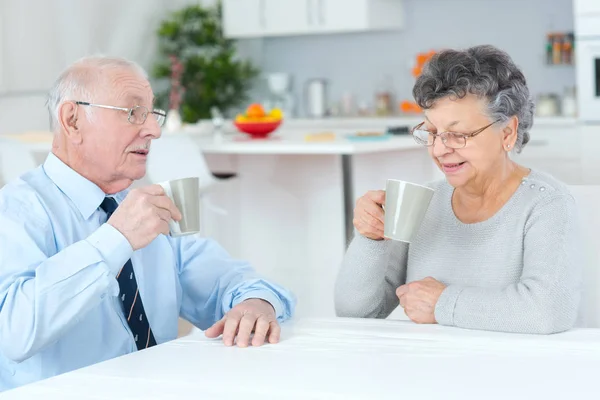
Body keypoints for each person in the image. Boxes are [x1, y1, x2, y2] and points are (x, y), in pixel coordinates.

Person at [0, 56, 295, 391]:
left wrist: (255, 304)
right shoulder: (16, 212)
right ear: (73, 120)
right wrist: (116, 239)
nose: (154, 130)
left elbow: (229, 282)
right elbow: (12, 333)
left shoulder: (138, 208)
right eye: (132, 113)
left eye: (152, 113)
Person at [334, 45, 581, 334]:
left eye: (458, 135)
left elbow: (548, 311)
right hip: (429, 369)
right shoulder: (423, 204)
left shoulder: (547, 204)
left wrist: (443, 303)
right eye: (432, 132)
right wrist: (369, 238)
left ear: (507, 133)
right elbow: (355, 314)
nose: (439, 149)